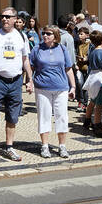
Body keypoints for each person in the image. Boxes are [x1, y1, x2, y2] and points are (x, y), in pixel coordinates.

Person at [0, 6, 33, 164]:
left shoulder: (21, 36)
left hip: (15, 81)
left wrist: (30, 79)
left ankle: (9, 147)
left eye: (8, 17)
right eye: (2, 16)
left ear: (15, 19)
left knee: (13, 116)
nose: (4, 19)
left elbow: (25, 60)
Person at [30, 24, 75, 159]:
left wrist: (73, 86)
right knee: (44, 116)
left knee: (62, 116)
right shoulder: (37, 49)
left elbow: (68, 68)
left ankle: (62, 146)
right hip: (42, 88)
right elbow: (31, 68)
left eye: (48, 34)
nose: (45, 36)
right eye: (44, 33)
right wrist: (29, 81)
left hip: (61, 87)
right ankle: (45, 146)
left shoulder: (62, 49)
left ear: (55, 37)